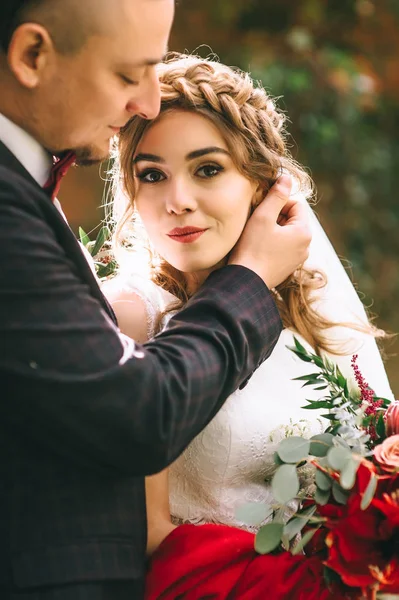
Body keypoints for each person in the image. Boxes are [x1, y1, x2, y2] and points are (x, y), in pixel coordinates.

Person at [0, 2, 313, 599]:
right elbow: (137, 413)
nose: (146, 101)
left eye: (208, 169)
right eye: (128, 73)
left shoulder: (324, 335)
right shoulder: (131, 312)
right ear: (32, 56)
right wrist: (249, 278)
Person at [103, 54, 394, 598]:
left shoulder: (321, 320)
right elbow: (146, 542)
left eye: (207, 169)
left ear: (261, 184)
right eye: (152, 175)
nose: (178, 201)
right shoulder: (129, 319)